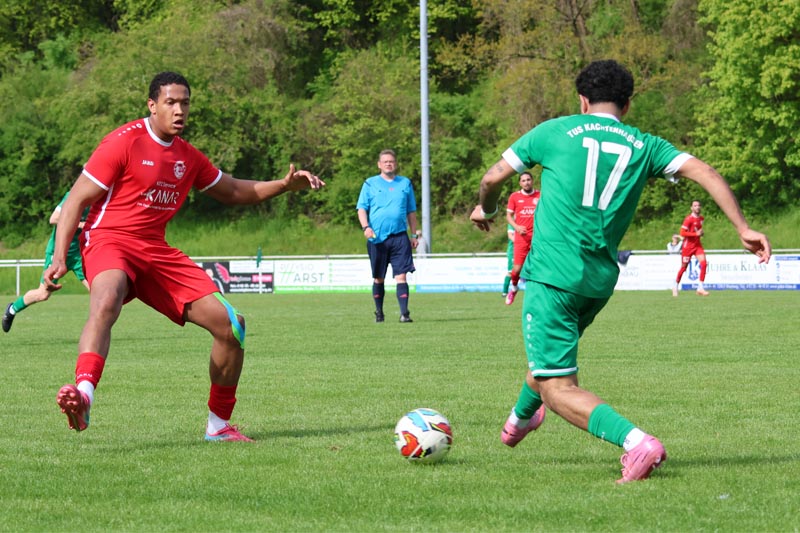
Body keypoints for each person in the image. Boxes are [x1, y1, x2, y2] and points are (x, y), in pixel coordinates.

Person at [470, 59, 770, 483]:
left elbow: (492, 178)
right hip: (598, 281)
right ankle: (520, 420)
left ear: (582, 100)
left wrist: (486, 209)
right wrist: (743, 227)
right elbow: (704, 171)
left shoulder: (554, 131)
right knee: (549, 360)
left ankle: (637, 443)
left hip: (552, 275)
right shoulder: (645, 145)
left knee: (558, 388)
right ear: (627, 105)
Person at [43, 71, 324, 442]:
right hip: (109, 239)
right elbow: (76, 200)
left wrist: (284, 186)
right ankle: (84, 395)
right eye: (171, 102)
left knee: (231, 326)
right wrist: (59, 257)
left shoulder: (187, 157)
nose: (179, 110)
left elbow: (234, 191)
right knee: (107, 299)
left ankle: (218, 426)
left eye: (185, 103)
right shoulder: (123, 142)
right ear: (152, 105)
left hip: (155, 249)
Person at [2, 192, 90, 333]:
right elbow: (53, 218)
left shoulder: (99, 199)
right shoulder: (73, 195)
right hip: (58, 253)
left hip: (79, 254)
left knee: (97, 291)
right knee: (43, 294)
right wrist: (81, 224)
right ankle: (12, 309)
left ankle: (97, 332)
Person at [356, 149, 419, 323]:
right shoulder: (370, 183)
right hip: (377, 238)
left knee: (402, 276)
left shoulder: (405, 183)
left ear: (395, 164)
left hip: (400, 237)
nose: (388, 164)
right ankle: (379, 312)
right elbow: (361, 208)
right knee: (379, 277)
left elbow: (411, 211)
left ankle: (404, 314)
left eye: (391, 161)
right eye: (385, 161)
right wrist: (366, 227)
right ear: (379, 164)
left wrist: (414, 234)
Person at [504, 171, 541, 304]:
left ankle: (540, 296)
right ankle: (514, 288)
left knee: (540, 268)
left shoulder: (540, 196)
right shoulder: (515, 197)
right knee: (516, 270)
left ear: (532, 181)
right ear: (520, 183)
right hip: (521, 238)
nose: (526, 182)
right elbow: (508, 216)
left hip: (538, 238)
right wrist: (517, 227)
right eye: (523, 180)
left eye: (528, 180)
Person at [673, 201, 708, 296]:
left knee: (704, 264)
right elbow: (682, 233)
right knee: (684, 267)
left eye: (699, 205)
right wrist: (695, 234)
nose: (697, 207)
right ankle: (675, 285)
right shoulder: (688, 219)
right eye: (695, 206)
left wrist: (701, 233)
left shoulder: (701, 219)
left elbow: (698, 230)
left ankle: (700, 288)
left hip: (697, 246)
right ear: (691, 208)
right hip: (687, 247)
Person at [502, 223, 515, 296]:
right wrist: (520, 242)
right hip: (513, 252)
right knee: (511, 272)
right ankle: (505, 292)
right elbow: (510, 236)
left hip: (525, 251)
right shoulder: (512, 223)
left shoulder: (525, 222)